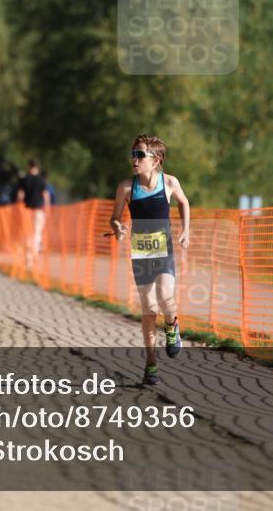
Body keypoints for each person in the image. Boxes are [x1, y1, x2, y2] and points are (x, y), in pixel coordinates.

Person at [110, 134, 190, 385]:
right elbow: (115, 217)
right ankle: (151, 363)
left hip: (164, 251)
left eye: (140, 155)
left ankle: (172, 326)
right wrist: (118, 228)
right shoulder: (126, 187)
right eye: (133, 154)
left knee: (166, 296)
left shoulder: (169, 182)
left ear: (156, 160)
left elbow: (184, 203)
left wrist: (186, 229)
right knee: (148, 308)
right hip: (141, 253)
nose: (135, 159)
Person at [17, 159, 51, 270]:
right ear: (38, 167)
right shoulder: (41, 180)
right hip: (38, 210)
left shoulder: (24, 179)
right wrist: (47, 208)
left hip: (27, 210)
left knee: (27, 233)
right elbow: (46, 195)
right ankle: (35, 253)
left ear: (29, 166)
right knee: (37, 232)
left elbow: (20, 195)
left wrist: (19, 206)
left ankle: (29, 257)